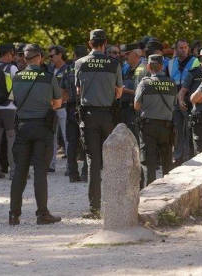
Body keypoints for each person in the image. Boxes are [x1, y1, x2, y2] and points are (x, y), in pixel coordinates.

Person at [9, 44, 62, 226]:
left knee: (19, 173)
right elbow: (58, 103)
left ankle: (14, 215)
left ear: (24, 59)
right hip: (42, 128)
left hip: (22, 127)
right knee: (40, 172)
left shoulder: (16, 77)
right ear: (40, 57)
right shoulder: (48, 78)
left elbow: (13, 100)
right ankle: (42, 214)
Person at [75, 29, 123, 219]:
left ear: (90, 44)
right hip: (108, 115)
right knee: (113, 159)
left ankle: (95, 208)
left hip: (88, 115)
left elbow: (78, 90)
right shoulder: (114, 64)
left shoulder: (80, 63)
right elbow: (119, 92)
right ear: (105, 43)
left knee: (93, 161)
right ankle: (116, 206)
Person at [134, 55, 177, 187]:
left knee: (148, 162)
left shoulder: (144, 83)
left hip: (148, 127)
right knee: (167, 162)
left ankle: (150, 192)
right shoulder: (171, 83)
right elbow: (174, 104)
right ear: (162, 66)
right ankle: (169, 191)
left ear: (148, 67)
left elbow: (136, 105)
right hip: (166, 127)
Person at [0, 44, 18, 180]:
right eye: (13, 54)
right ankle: (14, 171)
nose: (14, 57)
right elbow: (18, 87)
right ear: (8, 53)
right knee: (12, 138)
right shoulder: (11, 68)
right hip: (9, 108)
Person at [60, 45, 88, 183]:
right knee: (87, 142)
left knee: (72, 142)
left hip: (71, 108)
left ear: (75, 55)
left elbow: (63, 92)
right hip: (85, 107)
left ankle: (72, 173)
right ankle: (85, 173)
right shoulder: (88, 68)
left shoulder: (68, 69)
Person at [167, 39, 197, 167]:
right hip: (175, 98)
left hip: (189, 97)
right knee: (178, 129)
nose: (183, 50)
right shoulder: (171, 63)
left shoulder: (195, 61)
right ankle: (178, 156)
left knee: (190, 128)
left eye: (185, 47)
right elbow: (169, 81)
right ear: (176, 49)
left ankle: (190, 154)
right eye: (180, 47)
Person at [48, 45, 69, 173]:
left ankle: (69, 165)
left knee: (67, 136)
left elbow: (68, 90)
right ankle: (51, 164)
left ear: (60, 55)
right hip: (52, 109)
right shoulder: (51, 70)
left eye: (52, 56)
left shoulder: (68, 69)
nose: (50, 58)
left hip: (64, 108)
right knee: (52, 137)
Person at [121, 44, 142, 136]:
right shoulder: (126, 69)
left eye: (128, 54)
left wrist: (123, 90)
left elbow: (140, 93)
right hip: (124, 110)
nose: (125, 57)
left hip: (135, 111)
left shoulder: (142, 69)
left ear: (136, 55)